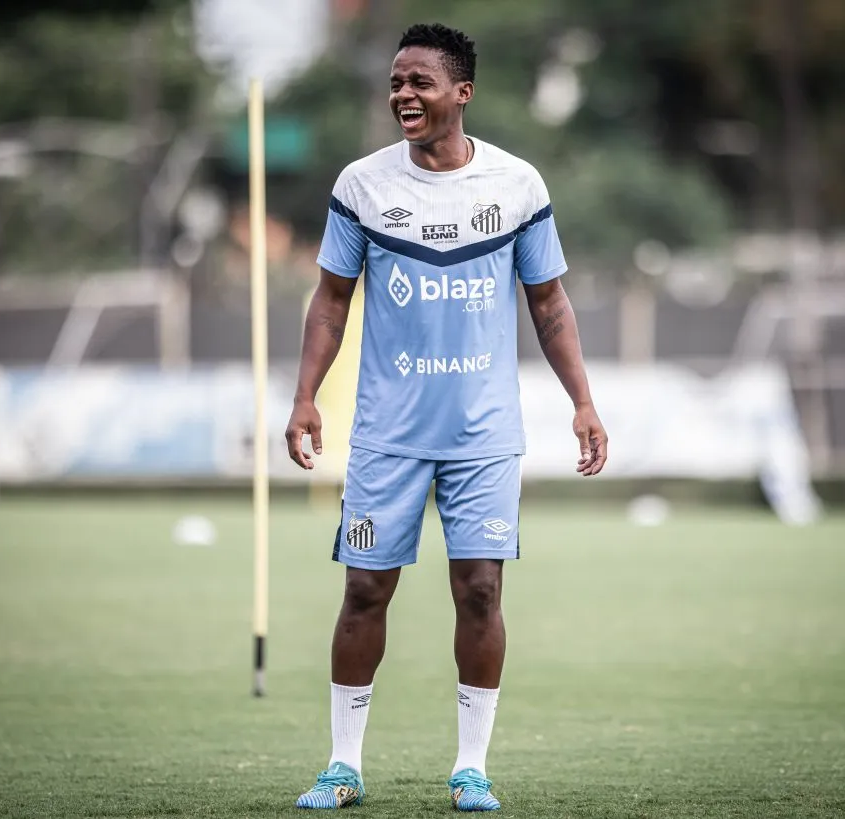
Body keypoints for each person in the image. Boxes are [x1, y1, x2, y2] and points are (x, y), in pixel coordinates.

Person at [285, 22, 608, 812]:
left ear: (461, 93)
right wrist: (302, 397)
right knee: (364, 590)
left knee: (480, 594)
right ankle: (343, 766)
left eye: (421, 82)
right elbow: (331, 301)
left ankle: (471, 768)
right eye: (397, 82)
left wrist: (584, 401)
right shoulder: (362, 185)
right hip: (387, 435)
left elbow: (550, 304)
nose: (404, 94)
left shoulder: (518, 186)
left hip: (482, 436)